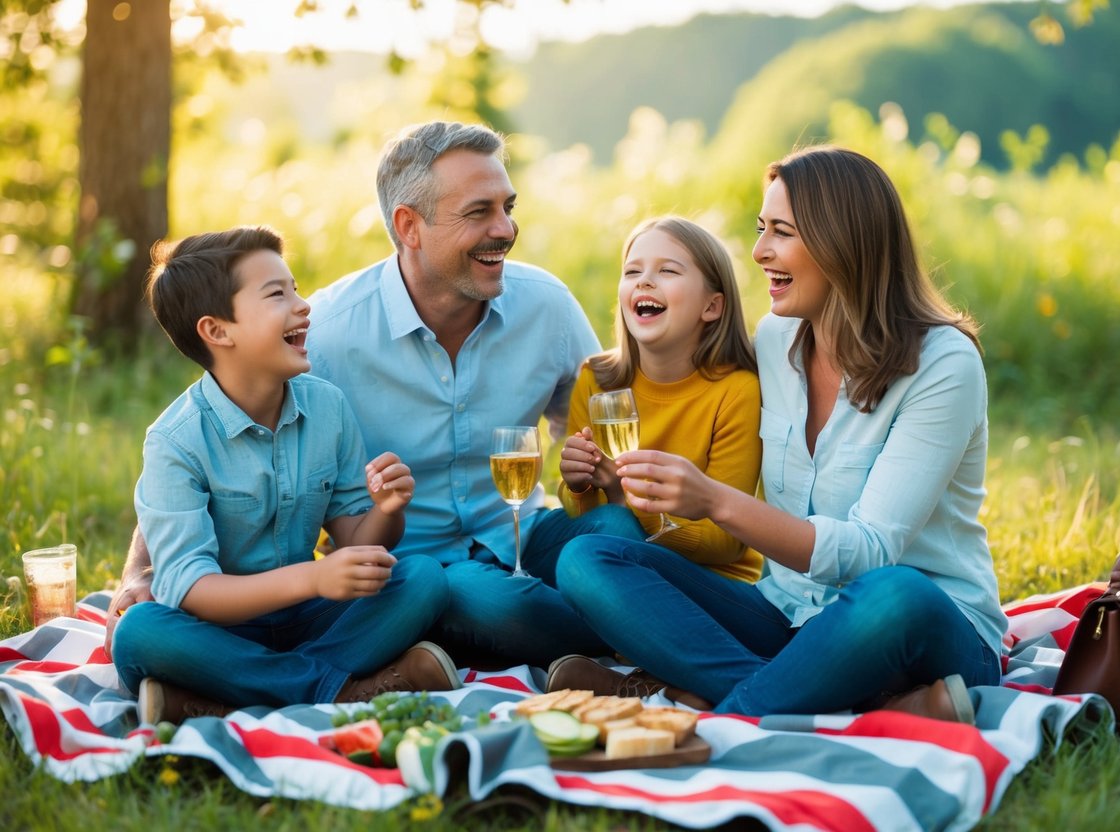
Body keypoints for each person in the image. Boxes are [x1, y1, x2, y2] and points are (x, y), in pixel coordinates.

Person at [106, 121, 641, 669]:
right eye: (479, 212)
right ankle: (616, 632)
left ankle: (604, 628)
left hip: (521, 532)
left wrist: (599, 473)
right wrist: (141, 572)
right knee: (479, 598)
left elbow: (612, 424)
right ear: (409, 225)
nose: (505, 228)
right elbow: (204, 441)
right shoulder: (324, 335)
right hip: (414, 565)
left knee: (618, 533)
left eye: (508, 206)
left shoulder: (546, 306)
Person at [550, 146, 1008, 721]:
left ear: (842, 243)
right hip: (788, 616)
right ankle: (830, 698)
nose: (760, 251)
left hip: (916, 626)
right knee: (588, 558)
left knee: (897, 590)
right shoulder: (776, 339)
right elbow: (695, 375)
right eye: (761, 229)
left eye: (782, 233)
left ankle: (725, 709)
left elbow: (869, 552)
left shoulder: (943, 364)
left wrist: (713, 500)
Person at [111, 226, 457, 724]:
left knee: (423, 579)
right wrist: (314, 576)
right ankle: (340, 691)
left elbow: (356, 540)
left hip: (310, 621)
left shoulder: (327, 406)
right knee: (141, 632)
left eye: (295, 288)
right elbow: (193, 590)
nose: (303, 305)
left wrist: (387, 509)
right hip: (221, 633)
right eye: (278, 294)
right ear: (217, 331)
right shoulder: (175, 441)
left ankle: (224, 697)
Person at [556, 216, 763, 582]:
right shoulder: (596, 378)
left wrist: (624, 496)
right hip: (606, 564)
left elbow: (726, 541)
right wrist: (577, 484)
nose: (645, 280)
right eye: (632, 271)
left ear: (712, 307)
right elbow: (586, 515)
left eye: (668, 270)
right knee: (486, 597)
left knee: (605, 538)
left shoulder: (736, 390)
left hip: (710, 585)